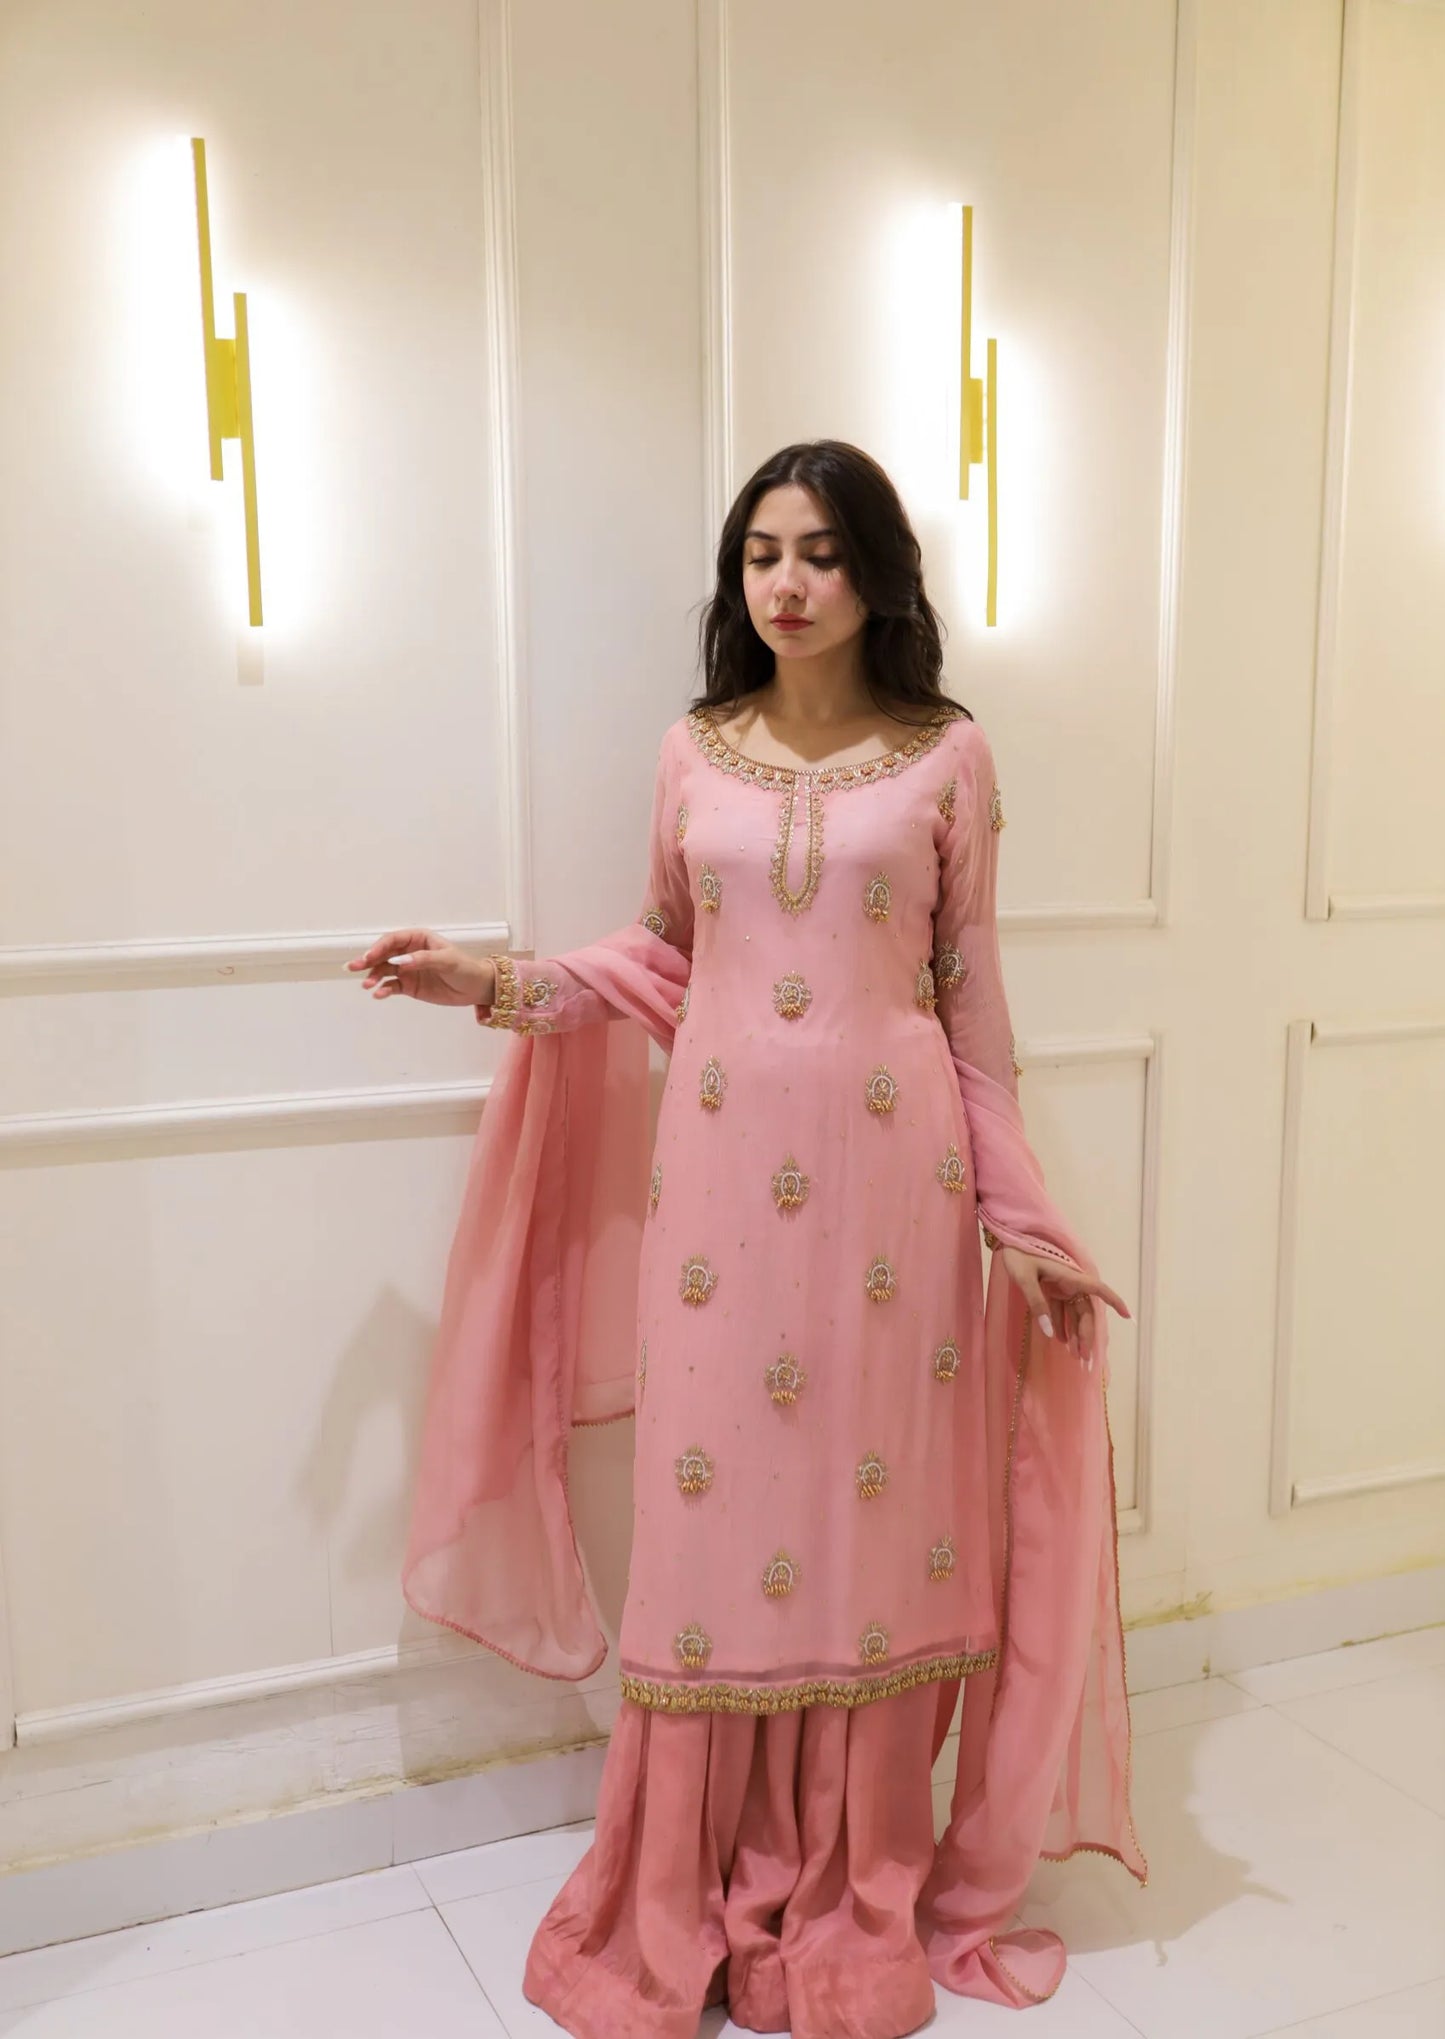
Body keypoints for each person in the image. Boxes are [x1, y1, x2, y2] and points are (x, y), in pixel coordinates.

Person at [347, 440, 1145, 2039]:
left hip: (891, 1200)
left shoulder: (946, 760)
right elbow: (657, 956)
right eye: (760, 554)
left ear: (876, 577)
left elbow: (969, 1014)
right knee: (713, 1518)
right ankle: (694, 1874)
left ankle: (857, 1874)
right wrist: (487, 981)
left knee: (876, 1517)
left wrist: (1022, 1221)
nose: (783, 583)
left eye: (820, 554)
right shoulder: (693, 750)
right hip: (716, 1199)